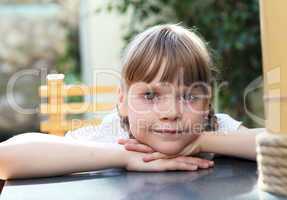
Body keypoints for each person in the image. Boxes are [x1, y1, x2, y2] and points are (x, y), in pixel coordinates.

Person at [0, 24, 263, 180]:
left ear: (207, 103)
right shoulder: (113, 133)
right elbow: (7, 158)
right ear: (123, 101)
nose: (170, 113)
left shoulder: (213, 128)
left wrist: (203, 141)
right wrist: (123, 156)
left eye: (189, 96)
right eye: (150, 95)